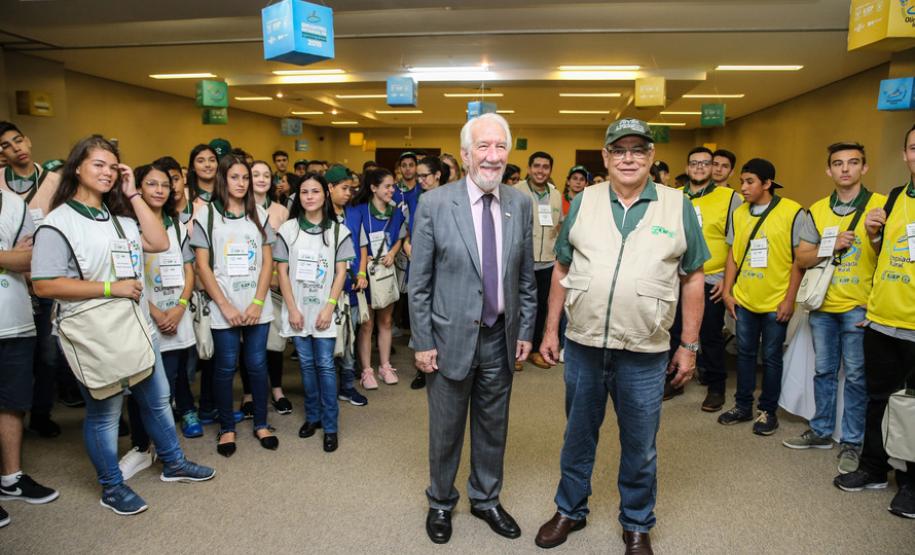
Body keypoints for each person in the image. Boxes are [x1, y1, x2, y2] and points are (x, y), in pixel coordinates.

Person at [534, 118, 709, 554]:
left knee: (640, 443)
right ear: (606, 157)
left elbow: (692, 277)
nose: (628, 158)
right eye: (619, 150)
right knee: (577, 435)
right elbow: (562, 268)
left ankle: (636, 522)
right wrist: (550, 330)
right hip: (584, 345)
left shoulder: (677, 204)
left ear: (650, 157)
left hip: (645, 351)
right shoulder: (583, 201)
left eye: (638, 150)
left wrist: (688, 345)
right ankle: (569, 510)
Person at [31, 135, 214, 516]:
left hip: (135, 327)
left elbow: (160, 240)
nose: (106, 172)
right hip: (95, 331)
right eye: (97, 164)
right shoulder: (58, 222)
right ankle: (112, 486)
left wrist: (132, 194)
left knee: (159, 400)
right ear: (76, 167)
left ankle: (173, 462)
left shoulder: (118, 218)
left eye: (112, 166)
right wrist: (110, 287)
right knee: (106, 413)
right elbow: (44, 283)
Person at [410, 113, 536, 545]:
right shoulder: (435, 204)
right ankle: (441, 501)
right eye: (483, 147)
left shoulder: (520, 203)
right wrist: (422, 341)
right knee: (445, 429)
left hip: (500, 337)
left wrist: (525, 331)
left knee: (492, 426)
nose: (492, 156)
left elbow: (524, 278)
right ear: (465, 155)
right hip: (447, 340)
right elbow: (419, 282)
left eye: (500, 147)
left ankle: (486, 499)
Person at [783, 142, 885, 475]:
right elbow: (803, 258)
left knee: (856, 377)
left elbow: (890, 254)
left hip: (859, 306)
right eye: (838, 163)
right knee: (823, 372)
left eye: (853, 162)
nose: (845, 169)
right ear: (829, 170)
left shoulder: (881, 206)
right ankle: (822, 431)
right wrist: (832, 247)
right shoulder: (816, 210)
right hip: (823, 306)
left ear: (864, 168)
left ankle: (853, 444)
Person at [834, 124, 915, 519]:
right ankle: (873, 467)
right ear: (905, 155)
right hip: (881, 319)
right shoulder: (898, 196)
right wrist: (875, 235)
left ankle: (913, 486)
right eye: (914, 148)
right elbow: (886, 254)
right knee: (876, 399)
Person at [720, 158, 819, 435]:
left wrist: (789, 300)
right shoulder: (739, 213)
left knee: (772, 356)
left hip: (776, 300)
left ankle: (768, 410)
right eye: (742, 181)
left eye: (750, 182)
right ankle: (742, 405)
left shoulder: (792, 212)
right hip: (745, 298)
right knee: (744, 354)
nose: (744, 187)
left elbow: (798, 261)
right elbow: (733, 255)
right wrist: (728, 291)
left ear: (767, 183)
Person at [191, 154, 278, 457]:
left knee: (256, 364)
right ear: (223, 180)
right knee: (225, 367)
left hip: (257, 304)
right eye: (235, 177)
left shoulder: (260, 214)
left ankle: (262, 423)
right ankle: (227, 428)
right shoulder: (207, 216)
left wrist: (257, 302)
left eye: (246, 178)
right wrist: (225, 305)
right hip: (222, 304)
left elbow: (268, 262)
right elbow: (202, 266)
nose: (241, 183)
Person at [275, 173, 354, 452]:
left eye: (315, 191)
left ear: (325, 195)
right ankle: (313, 417)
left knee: (324, 365)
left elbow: (341, 273)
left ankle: (330, 426)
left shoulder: (338, 231)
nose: (310, 196)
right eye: (305, 192)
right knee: (306, 366)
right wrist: (293, 308)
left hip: (324, 310)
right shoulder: (287, 230)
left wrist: (328, 308)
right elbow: (281, 272)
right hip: (297, 310)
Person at [0, 121, 69, 437]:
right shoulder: (1, 182)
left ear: (27, 140)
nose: (16, 148)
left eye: (18, 140)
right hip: (11, 281)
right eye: (6, 145)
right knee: (17, 355)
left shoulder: (52, 178)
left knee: (47, 352)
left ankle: (41, 412)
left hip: (44, 273)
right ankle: (13, 417)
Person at [664, 147, 742, 410]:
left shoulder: (730, 197)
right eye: (694, 163)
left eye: (705, 163)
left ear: (713, 168)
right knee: (673, 331)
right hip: (676, 277)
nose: (699, 168)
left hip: (712, 277)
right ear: (687, 168)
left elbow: (738, 242)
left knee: (710, 334)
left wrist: (729, 281)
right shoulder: (673, 196)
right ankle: (673, 381)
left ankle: (716, 386)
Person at [0, 186, 59, 527]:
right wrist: (9, 254)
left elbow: (32, 259)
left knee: (13, 402)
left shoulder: (13, 204)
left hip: (16, 318)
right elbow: (17, 257)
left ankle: (11, 477)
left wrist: (13, 257)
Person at [237, 161, 293, 417]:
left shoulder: (281, 210)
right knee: (246, 344)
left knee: (274, 342)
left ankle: (278, 390)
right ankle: (248, 394)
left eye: (266, 175)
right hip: (247, 287)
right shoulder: (238, 210)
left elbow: (287, 250)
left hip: (275, 286)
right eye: (255, 174)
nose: (260, 179)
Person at [345, 169, 406, 389]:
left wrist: (392, 253)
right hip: (366, 272)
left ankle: (385, 366)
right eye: (387, 186)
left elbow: (400, 236)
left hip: (385, 273)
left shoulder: (395, 210)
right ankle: (367, 371)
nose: (392, 190)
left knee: (386, 321)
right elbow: (353, 237)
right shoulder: (358, 210)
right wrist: (363, 258)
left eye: (393, 186)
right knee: (367, 323)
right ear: (373, 188)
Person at [514, 151, 562, 371]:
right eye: (536, 166)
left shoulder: (555, 195)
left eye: (545, 167)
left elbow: (559, 224)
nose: (540, 171)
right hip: (521, 262)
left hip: (547, 262)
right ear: (529, 168)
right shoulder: (516, 192)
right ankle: (513, 350)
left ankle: (533, 349)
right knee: (516, 307)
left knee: (541, 307)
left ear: (550, 170)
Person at [325, 166, 368, 407]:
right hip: (328, 289)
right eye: (344, 189)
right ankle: (328, 388)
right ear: (329, 188)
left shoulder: (353, 214)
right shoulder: (320, 216)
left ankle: (347, 387)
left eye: (351, 189)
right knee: (330, 341)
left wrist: (361, 272)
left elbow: (362, 247)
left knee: (349, 338)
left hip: (350, 288)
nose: (349, 193)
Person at [407, 156, 448, 390]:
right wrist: (407, 245)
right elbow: (408, 228)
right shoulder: (416, 198)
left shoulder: (448, 198)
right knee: (420, 309)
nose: (420, 180)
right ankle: (421, 368)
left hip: (441, 264)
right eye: (418, 176)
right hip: (419, 261)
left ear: (437, 175)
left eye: (424, 176)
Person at [153, 156, 192, 224]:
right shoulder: (155, 217)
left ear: (184, 178)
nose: (173, 186)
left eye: (176, 179)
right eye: (166, 182)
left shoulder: (202, 210)